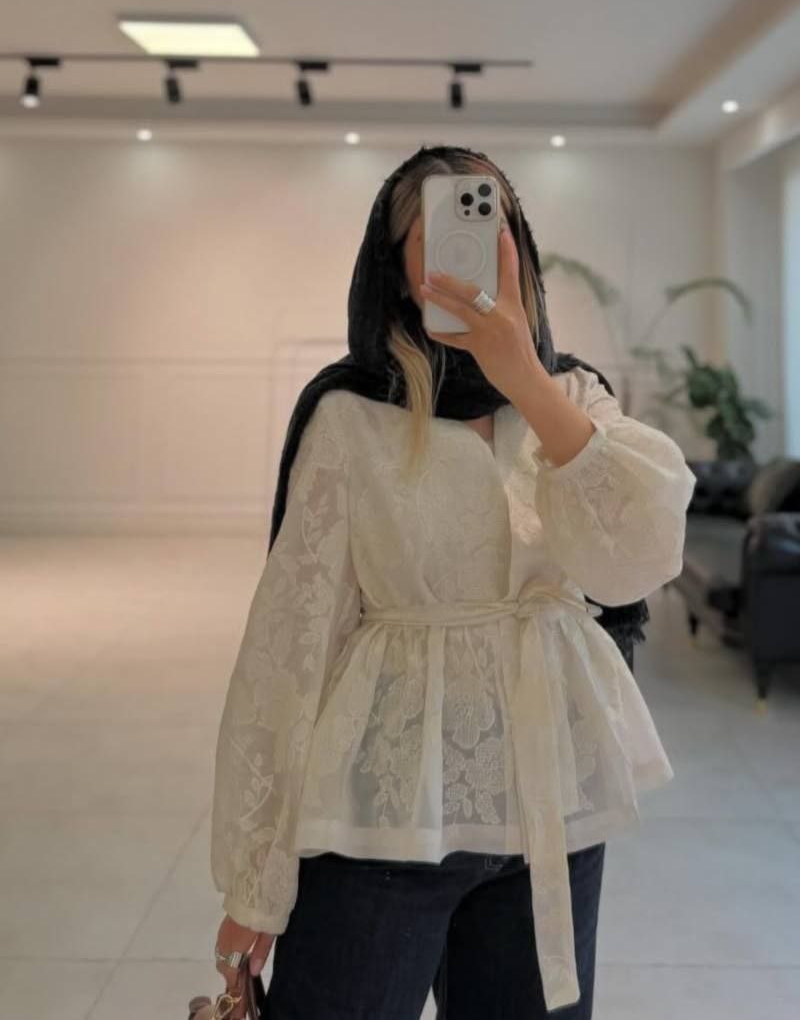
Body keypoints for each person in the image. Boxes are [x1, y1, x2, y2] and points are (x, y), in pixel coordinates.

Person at [208, 144, 697, 1019]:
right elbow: (290, 648)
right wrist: (255, 879)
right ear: (397, 271)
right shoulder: (350, 413)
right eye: (431, 232)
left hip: (550, 804)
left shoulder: (573, 399)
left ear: (520, 248)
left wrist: (523, 377)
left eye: (487, 220)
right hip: (385, 809)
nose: (466, 245)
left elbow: (637, 558)